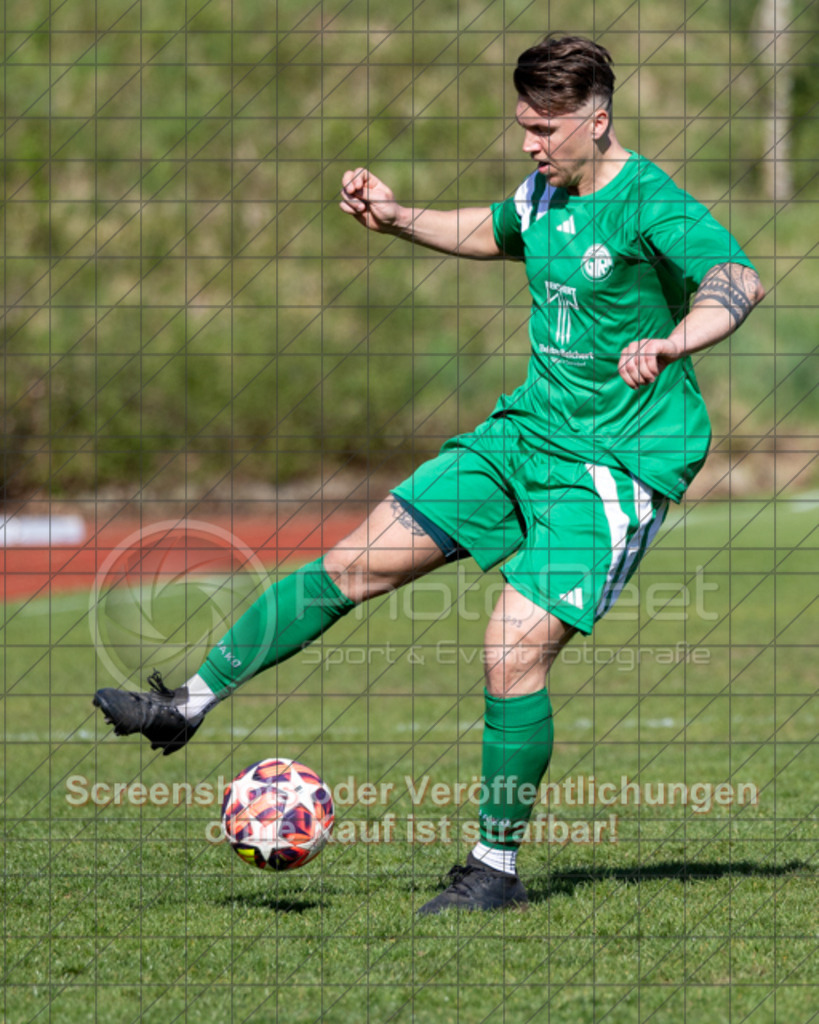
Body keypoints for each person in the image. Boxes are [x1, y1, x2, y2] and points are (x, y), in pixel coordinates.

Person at [94, 35, 764, 915]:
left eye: (546, 129)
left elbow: (736, 278)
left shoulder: (650, 203)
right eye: (522, 125)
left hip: (614, 464)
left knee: (509, 654)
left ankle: (494, 871)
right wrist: (400, 217)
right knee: (350, 565)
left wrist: (676, 338)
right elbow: (498, 230)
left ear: (598, 119)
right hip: (521, 436)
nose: (529, 144)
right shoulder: (546, 192)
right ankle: (186, 702)